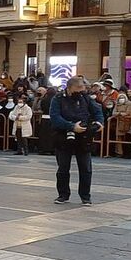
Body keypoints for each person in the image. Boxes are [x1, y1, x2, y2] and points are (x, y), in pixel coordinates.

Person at [50, 76, 103, 205]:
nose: (81, 91)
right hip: (64, 135)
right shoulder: (58, 99)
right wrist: (71, 126)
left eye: (82, 88)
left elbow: (97, 111)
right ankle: (63, 194)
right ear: (69, 88)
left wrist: (99, 123)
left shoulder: (85, 98)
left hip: (83, 136)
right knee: (63, 167)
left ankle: (85, 196)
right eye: (78, 88)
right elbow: (55, 117)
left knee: (85, 168)